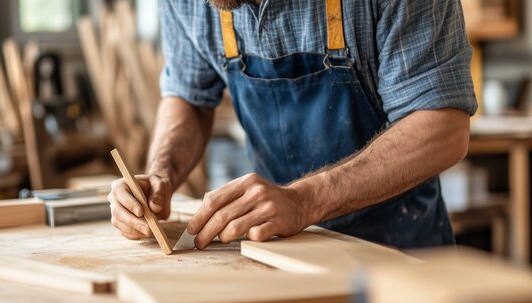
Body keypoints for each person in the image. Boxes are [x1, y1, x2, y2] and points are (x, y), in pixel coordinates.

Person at [108, 0, 477, 250]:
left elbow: (443, 127)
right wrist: (160, 176)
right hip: (283, 255)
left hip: (399, 255)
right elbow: (189, 96)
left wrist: (304, 201)